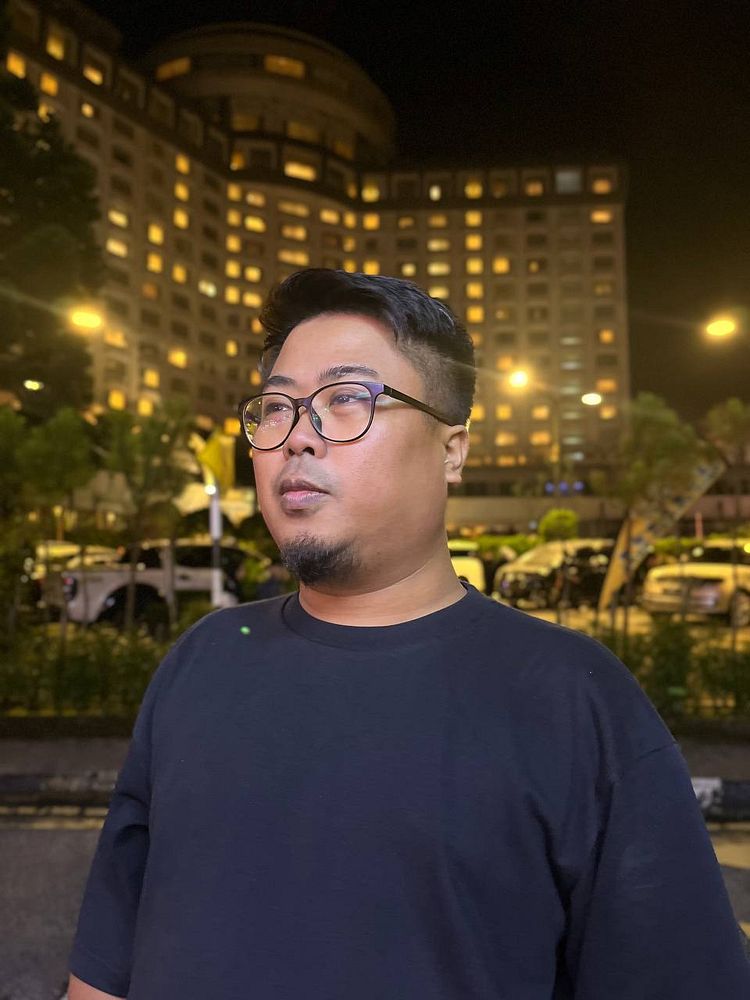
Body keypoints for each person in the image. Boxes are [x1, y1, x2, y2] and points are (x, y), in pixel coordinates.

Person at [68, 270, 750, 999]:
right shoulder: (202, 661)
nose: (297, 437)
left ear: (452, 450)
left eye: (346, 398)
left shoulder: (571, 697)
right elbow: (105, 965)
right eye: (276, 407)